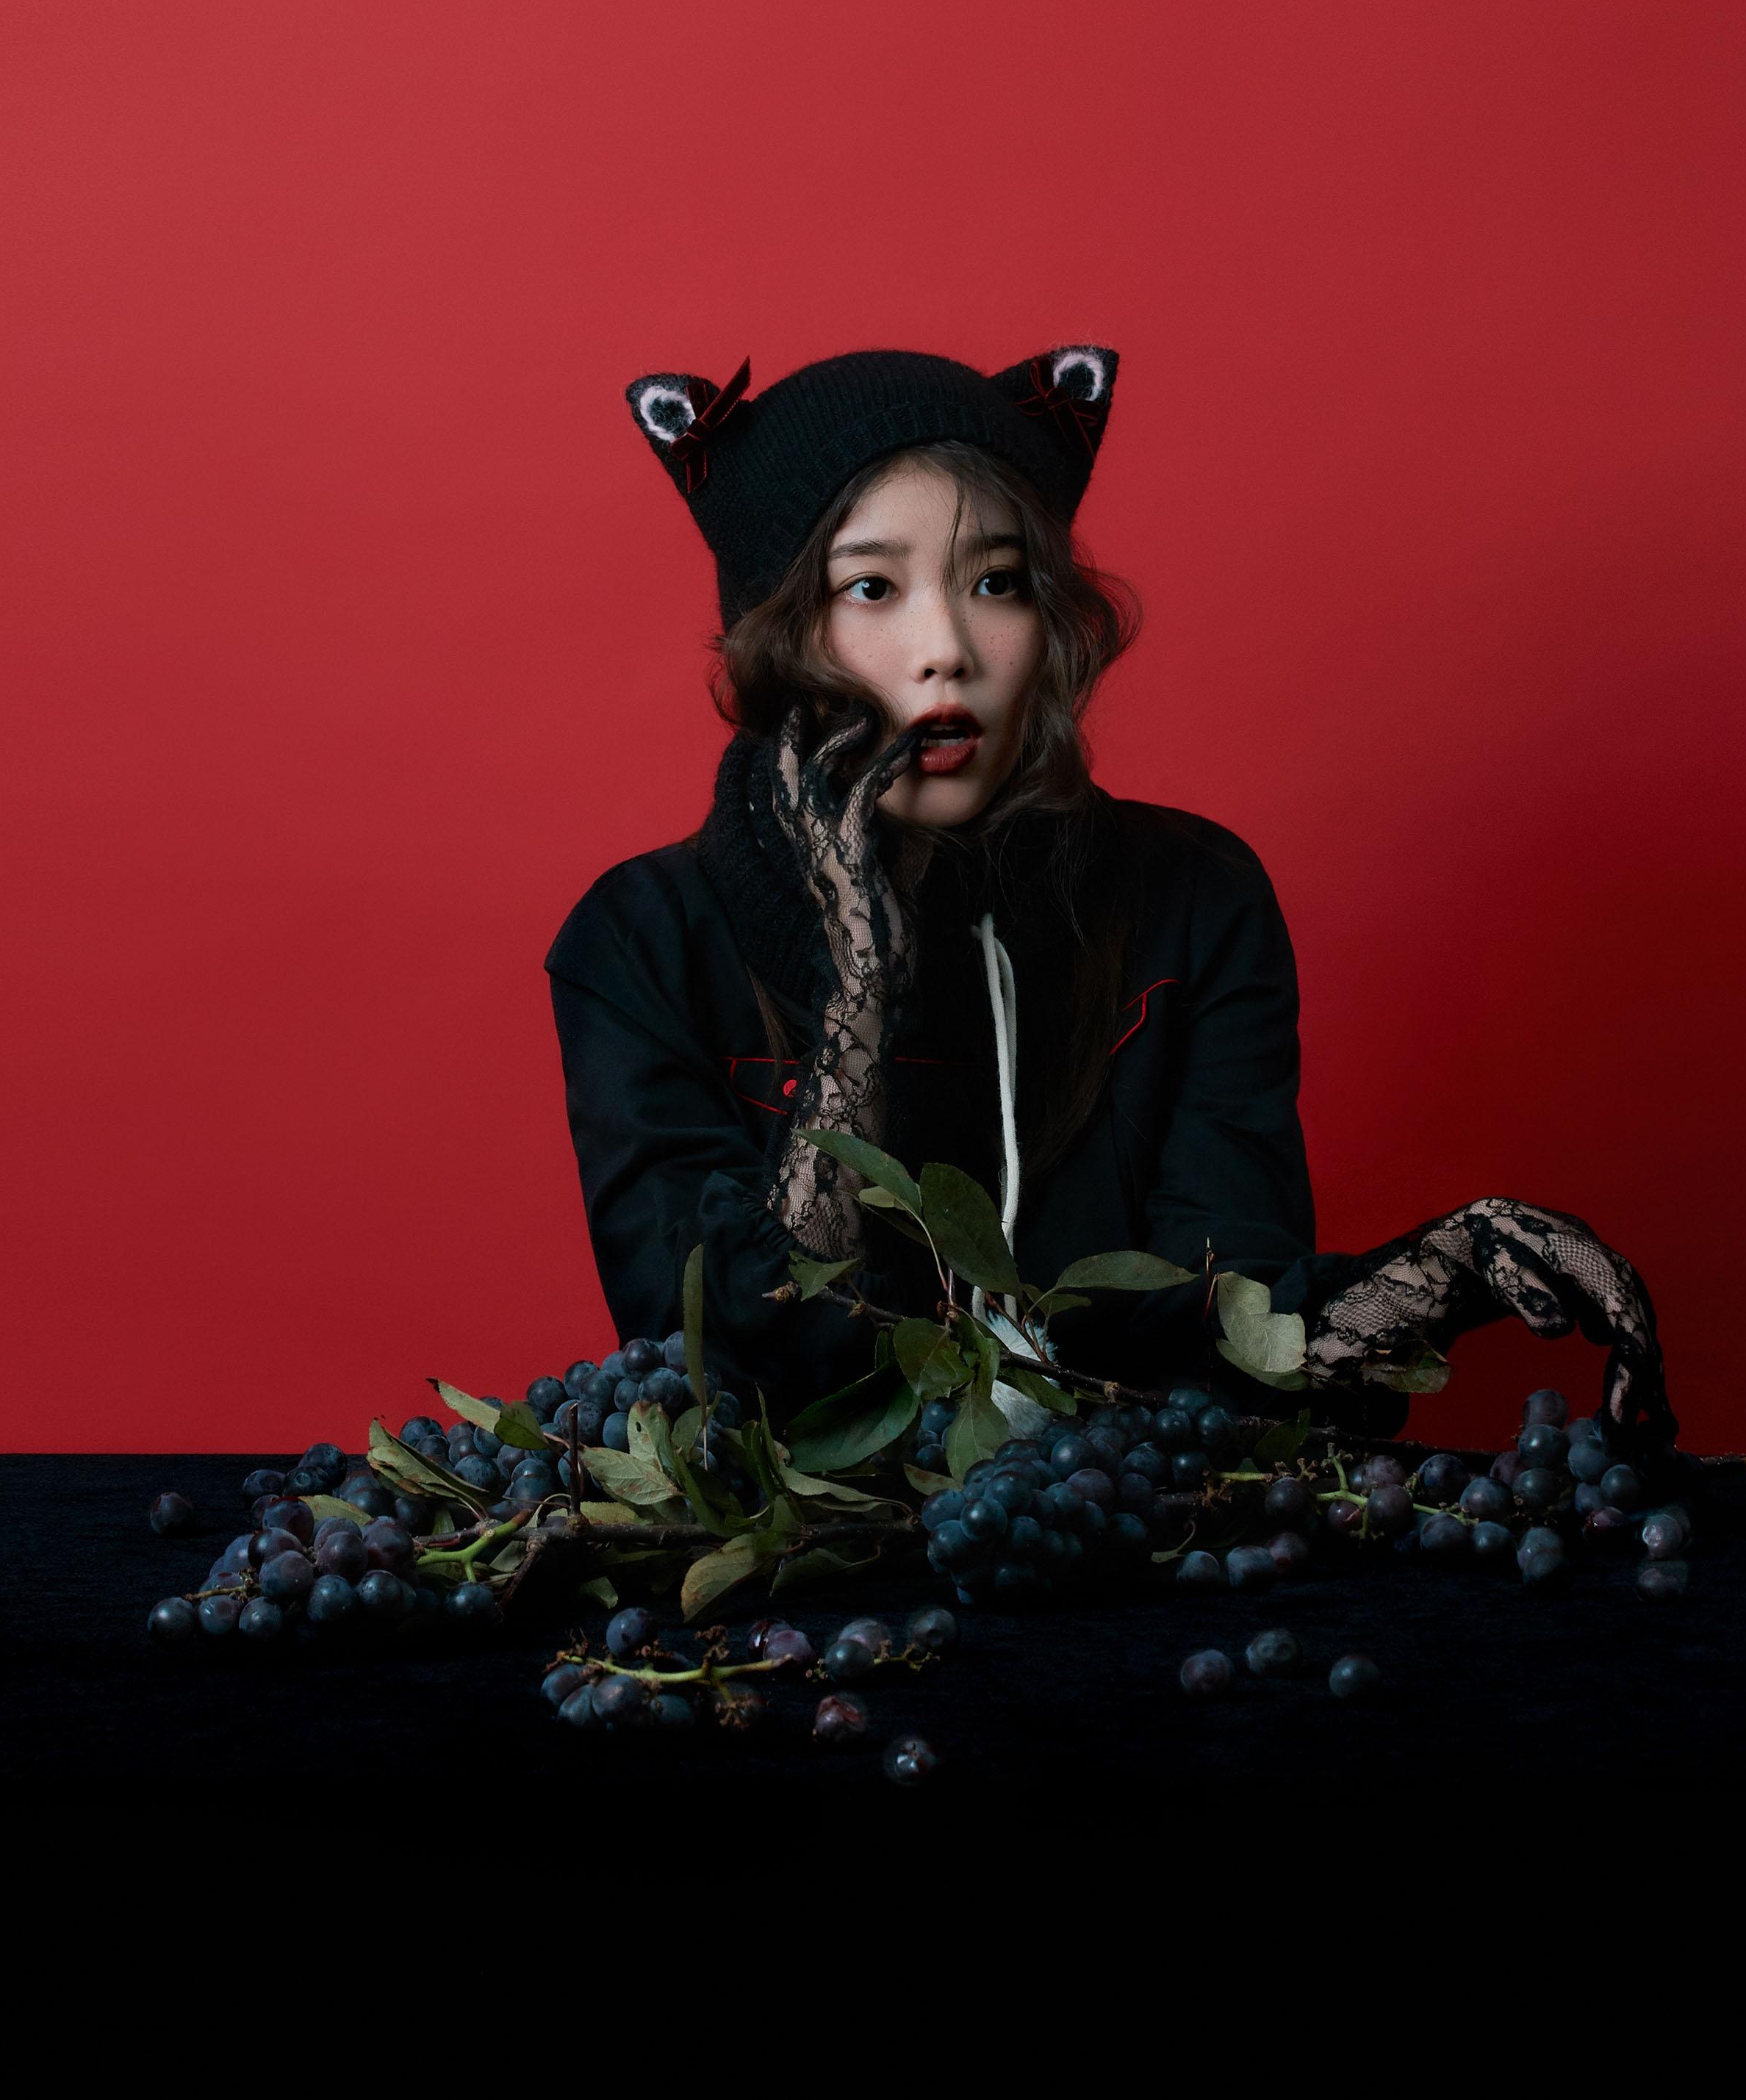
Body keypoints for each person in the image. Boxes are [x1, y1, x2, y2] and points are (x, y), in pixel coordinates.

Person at [546, 345, 1671, 1440]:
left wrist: (1436, 1277)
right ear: (781, 636)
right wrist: (859, 982)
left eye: (996, 582)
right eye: (872, 588)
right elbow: (725, 1378)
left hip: (1129, 1546)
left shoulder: (1194, 901)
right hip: (808, 1570)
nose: (947, 649)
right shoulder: (639, 943)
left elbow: (1228, 1345)